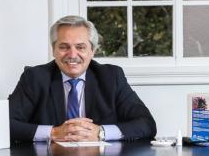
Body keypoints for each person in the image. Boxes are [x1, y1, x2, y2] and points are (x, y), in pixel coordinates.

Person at [9, 15, 157, 143]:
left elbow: (146, 124)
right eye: (64, 47)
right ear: (53, 50)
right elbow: (4, 124)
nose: (72, 55)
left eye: (80, 47)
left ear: (92, 51)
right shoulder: (34, 78)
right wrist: (53, 133)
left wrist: (101, 133)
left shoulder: (111, 77)